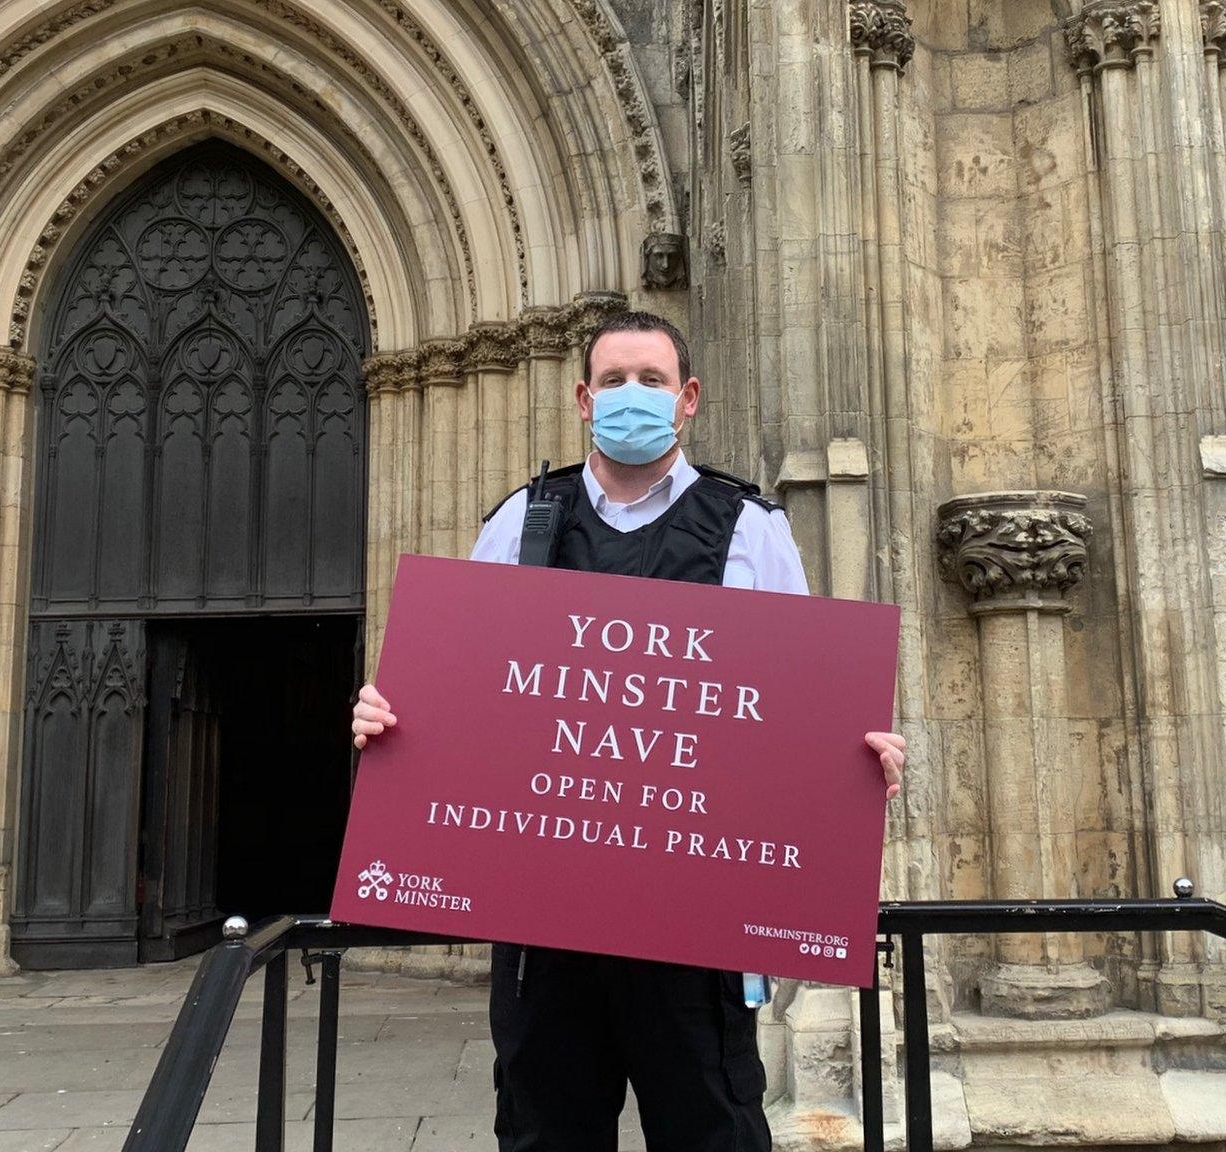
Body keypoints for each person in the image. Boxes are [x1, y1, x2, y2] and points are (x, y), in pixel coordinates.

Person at [348, 310, 907, 1152]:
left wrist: (857, 758)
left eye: (651, 381)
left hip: (693, 925)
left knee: (713, 1130)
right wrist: (390, 717)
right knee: (545, 1134)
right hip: (544, 920)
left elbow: (800, 706)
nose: (630, 397)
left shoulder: (750, 529)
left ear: (687, 399)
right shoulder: (521, 523)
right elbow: (460, 693)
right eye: (613, 381)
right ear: (582, 398)